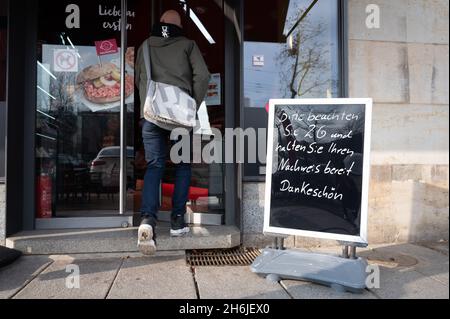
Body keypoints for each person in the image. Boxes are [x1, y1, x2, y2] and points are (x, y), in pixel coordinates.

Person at [135, 10, 210, 255]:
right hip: (180, 117)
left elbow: (139, 79)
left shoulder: (146, 45)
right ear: (179, 26)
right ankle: (178, 220)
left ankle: (148, 219)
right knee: (182, 166)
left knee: (154, 165)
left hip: (152, 115)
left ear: (162, 23)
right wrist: (192, 104)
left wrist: (148, 108)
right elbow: (203, 76)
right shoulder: (188, 45)